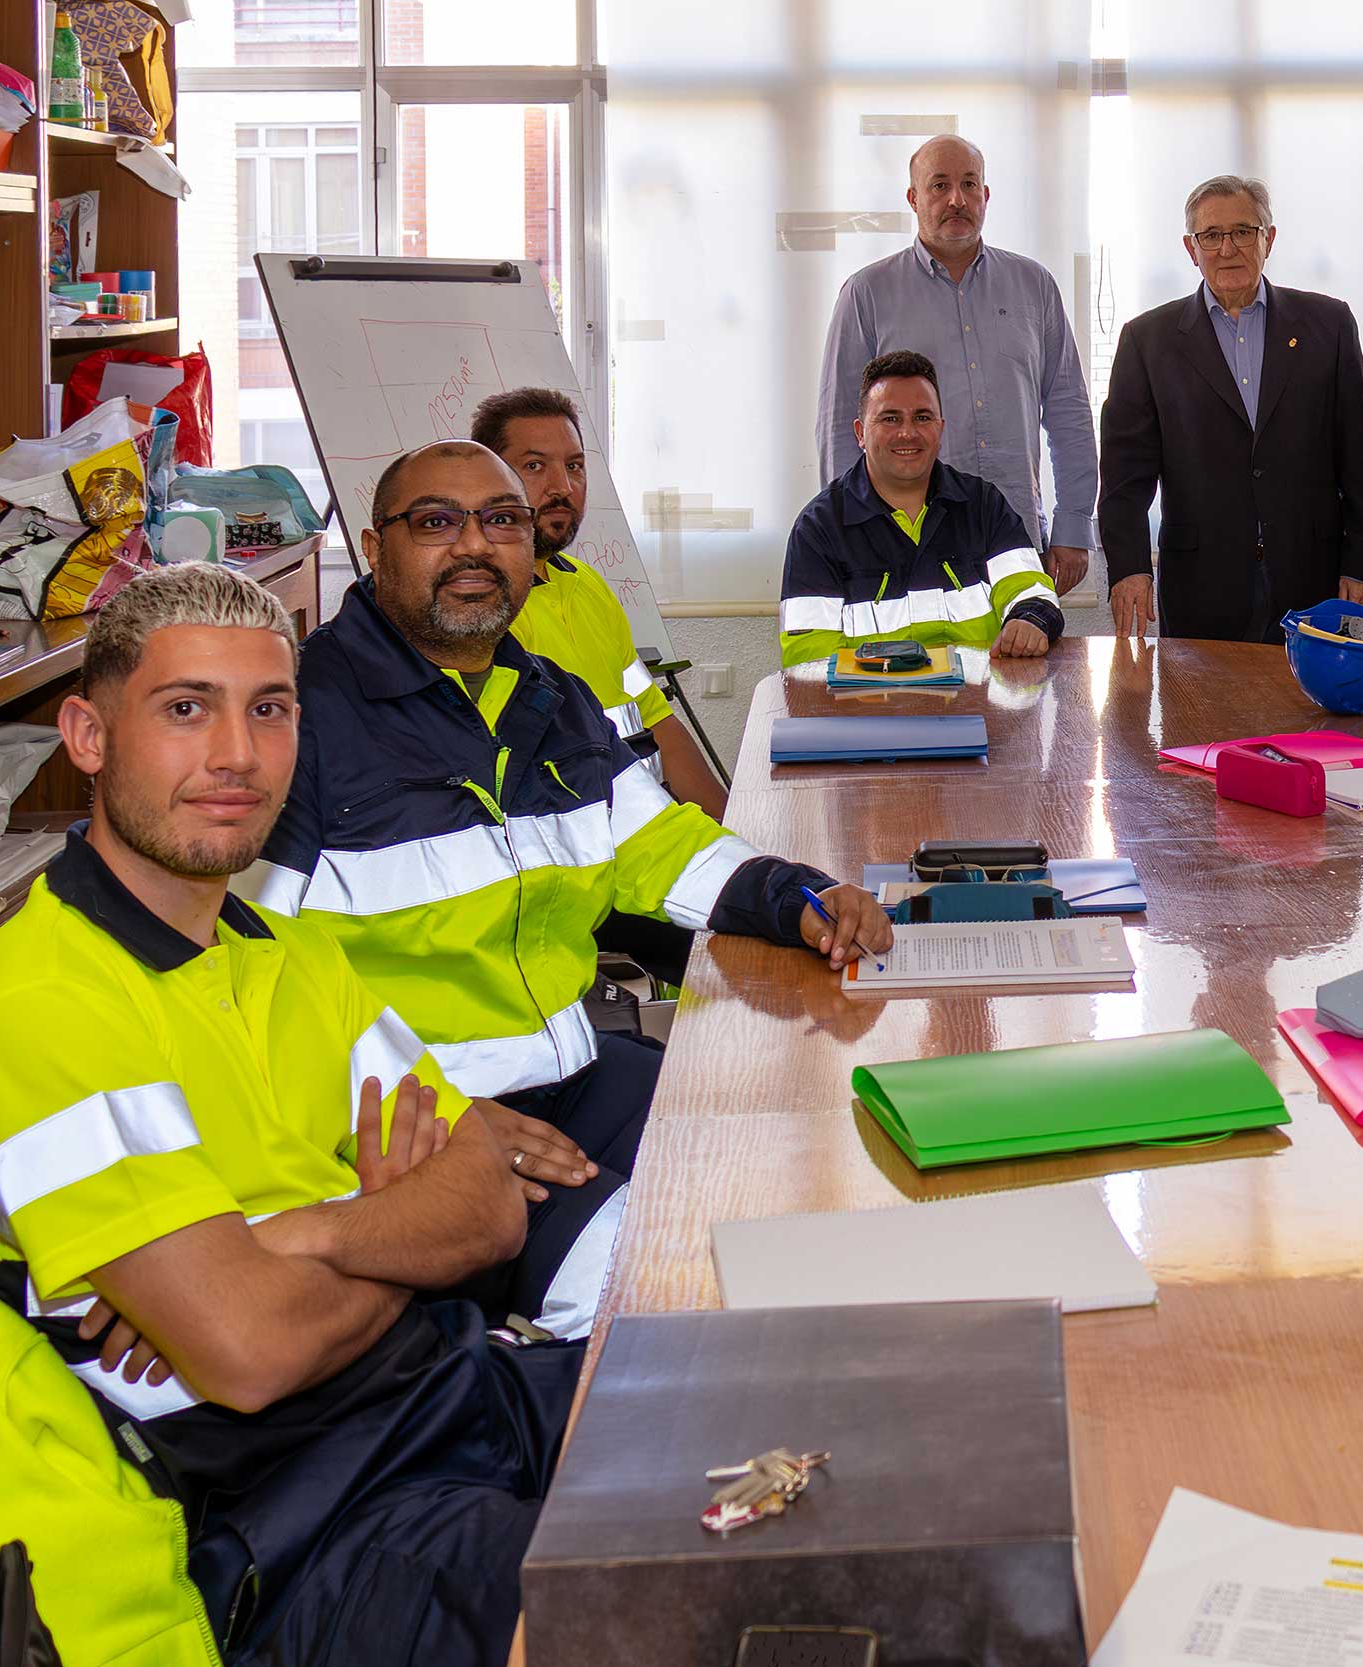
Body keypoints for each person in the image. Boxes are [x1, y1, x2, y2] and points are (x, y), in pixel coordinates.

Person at [0, 563, 578, 1667]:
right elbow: (247, 1351)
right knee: (689, 1613)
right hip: (299, 1538)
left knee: (763, 1433)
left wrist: (290, 1237)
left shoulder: (286, 953)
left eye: (272, 708)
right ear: (88, 736)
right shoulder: (37, 1006)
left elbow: (490, 1203)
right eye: (186, 709)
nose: (237, 753)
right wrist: (386, 1232)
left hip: (450, 1395)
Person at [263, 444, 891, 1339]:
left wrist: (799, 895)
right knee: (650, 1296)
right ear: (375, 547)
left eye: (503, 521)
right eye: (438, 522)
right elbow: (240, 976)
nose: (475, 546)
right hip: (413, 1123)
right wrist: (436, 1111)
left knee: (800, 1165)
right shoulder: (297, 720)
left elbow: (657, 842)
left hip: (573, 1068)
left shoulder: (549, 700)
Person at [1098, 174, 1363, 645]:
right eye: (1211, 236)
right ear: (1192, 248)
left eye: (1243, 232)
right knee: (1200, 718)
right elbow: (1125, 475)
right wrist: (1128, 568)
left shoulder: (1328, 324)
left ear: (1268, 239)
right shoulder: (1148, 340)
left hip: (1312, 580)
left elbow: (1358, 454)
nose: (1227, 248)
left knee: (1311, 715)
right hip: (1200, 584)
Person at [815, 135, 1095, 599]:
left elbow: (1068, 412)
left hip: (1016, 537)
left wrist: (1074, 525)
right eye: (939, 185)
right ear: (913, 198)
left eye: (969, 184)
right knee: (916, 668)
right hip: (902, 541)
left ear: (986, 195)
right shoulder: (866, 294)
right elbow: (840, 426)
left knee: (1022, 664)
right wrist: (849, 534)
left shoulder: (1035, 286)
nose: (956, 199)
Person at [475, 385, 728, 817]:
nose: (563, 486)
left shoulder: (587, 584)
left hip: (646, 831)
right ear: (490, 480)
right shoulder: (479, 612)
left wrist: (734, 838)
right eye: (535, 466)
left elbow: (657, 721)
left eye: (575, 466)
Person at [781, 351, 1067, 668]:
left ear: (940, 428)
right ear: (861, 433)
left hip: (978, 710)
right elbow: (808, 660)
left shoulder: (984, 506)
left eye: (922, 417)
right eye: (890, 418)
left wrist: (1028, 621)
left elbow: (1033, 594)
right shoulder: (819, 529)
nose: (908, 432)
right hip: (870, 712)